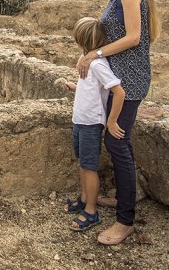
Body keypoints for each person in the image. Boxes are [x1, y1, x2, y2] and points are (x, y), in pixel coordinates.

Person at [76, 0, 161, 245]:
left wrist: (95, 56)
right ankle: (129, 198)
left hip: (130, 79)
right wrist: (89, 51)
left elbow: (135, 37)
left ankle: (125, 221)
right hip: (117, 76)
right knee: (117, 143)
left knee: (116, 143)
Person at [63, 17, 126, 232]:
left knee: (89, 167)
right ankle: (83, 198)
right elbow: (91, 88)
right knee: (82, 162)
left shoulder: (98, 64)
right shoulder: (86, 60)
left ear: (82, 40)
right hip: (80, 120)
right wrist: (76, 87)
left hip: (91, 123)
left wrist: (111, 120)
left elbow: (118, 92)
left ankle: (91, 210)